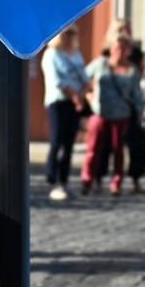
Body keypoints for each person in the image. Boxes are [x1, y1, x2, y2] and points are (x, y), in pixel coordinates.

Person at [82, 31, 142, 196]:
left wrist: (139, 111)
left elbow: (136, 93)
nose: (120, 51)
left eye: (124, 47)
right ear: (111, 48)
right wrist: (88, 95)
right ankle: (87, 180)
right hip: (100, 112)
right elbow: (82, 78)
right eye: (117, 47)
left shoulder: (132, 70)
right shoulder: (100, 64)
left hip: (121, 114)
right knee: (93, 149)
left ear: (129, 50)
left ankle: (116, 182)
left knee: (118, 150)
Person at [41, 27, 90, 201]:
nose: (69, 37)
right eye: (66, 33)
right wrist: (75, 96)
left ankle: (64, 179)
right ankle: (52, 178)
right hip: (58, 102)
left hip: (75, 103)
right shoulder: (52, 54)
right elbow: (57, 81)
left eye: (72, 33)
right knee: (57, 141)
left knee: (69, 143)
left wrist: (82, 95)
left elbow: (85, 77)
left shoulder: (76, 55)